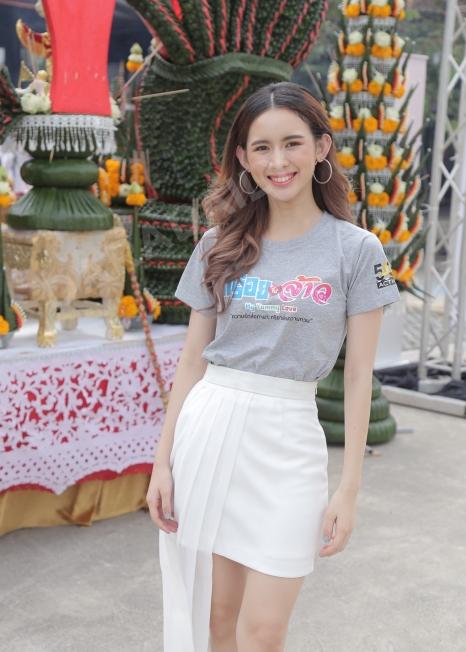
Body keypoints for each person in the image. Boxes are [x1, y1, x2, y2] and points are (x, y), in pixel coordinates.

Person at [146, 81, 401, 651]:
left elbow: (358, 375)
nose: (277, 162)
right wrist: (162, 463)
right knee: (217, 618)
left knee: (262, 632)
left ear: (321, 147)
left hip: (289, 443)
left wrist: (349, 490)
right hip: (211, 430)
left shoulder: (358, 250)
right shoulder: (218, 244)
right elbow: (191, 362)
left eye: (292, 143)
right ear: (243, 158)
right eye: (261, 148)